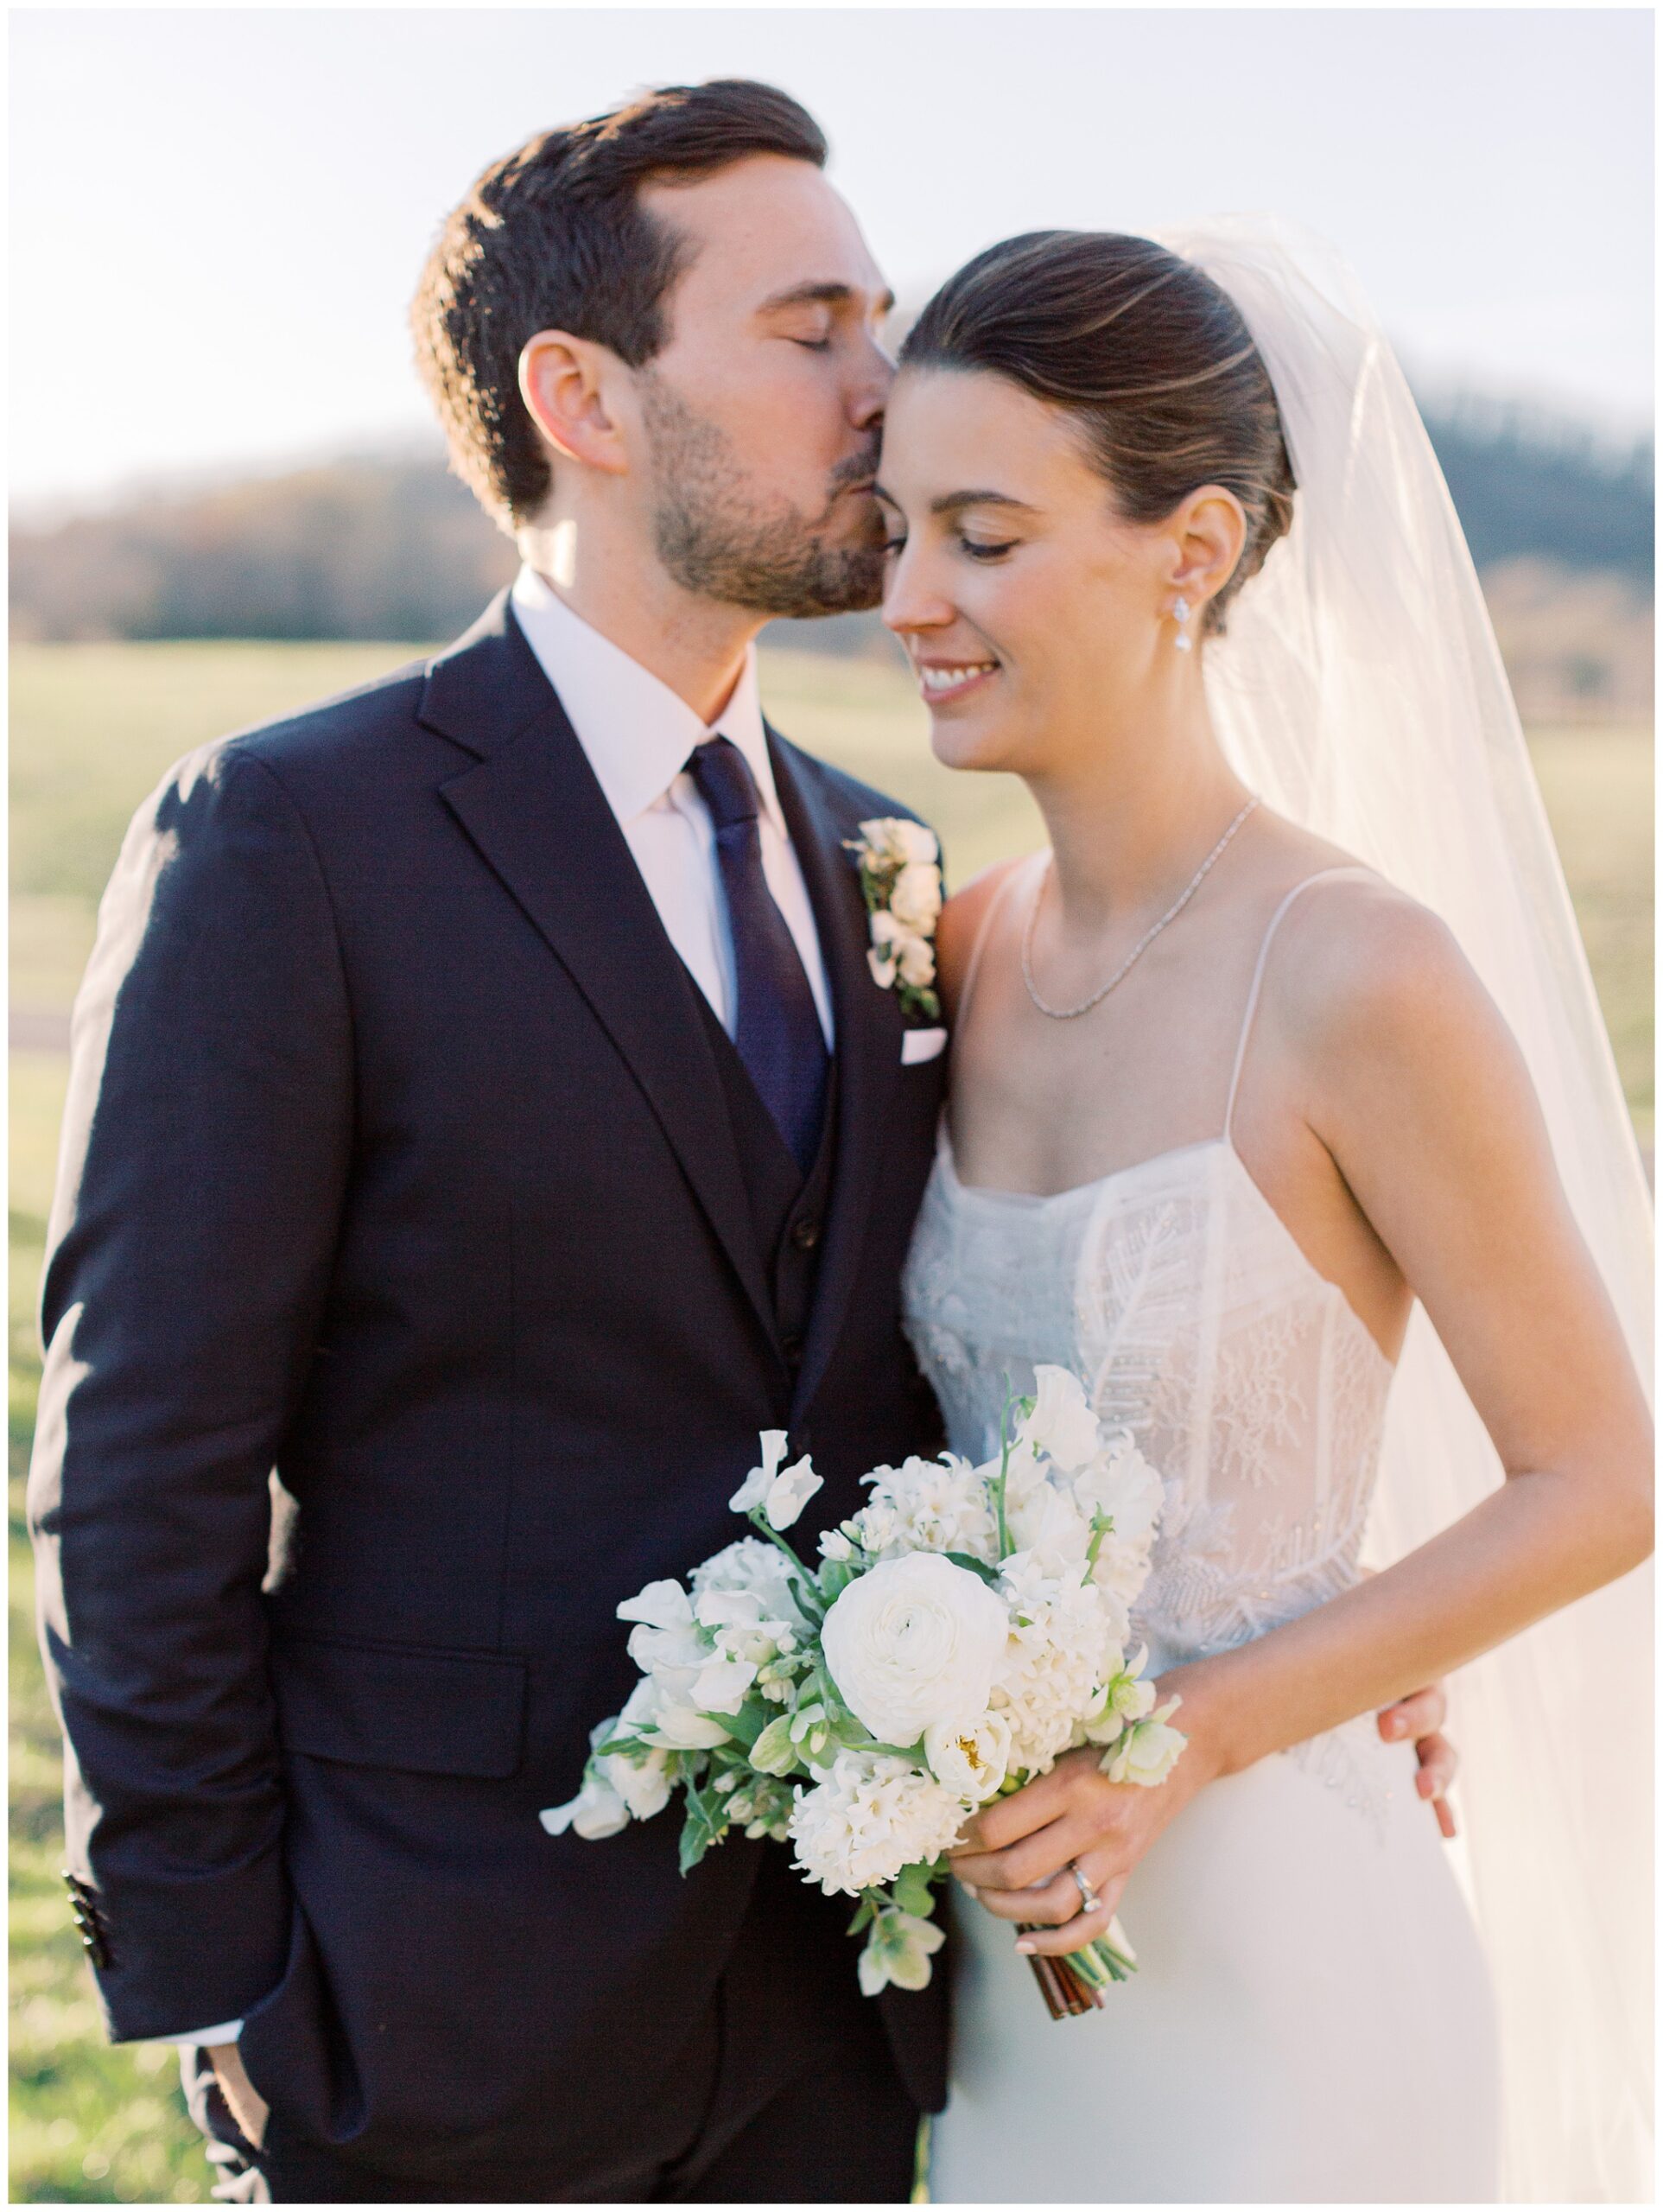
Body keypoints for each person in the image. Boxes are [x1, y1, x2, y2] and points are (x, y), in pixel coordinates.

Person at [28, 84, 1459, 2203]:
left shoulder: (889, 862)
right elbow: (136, 1466)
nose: (888, 393)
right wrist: (212, 1985)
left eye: (882, 316)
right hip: (424, 2012)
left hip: (850, 2020)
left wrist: (1319, 1645)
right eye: (813, 329)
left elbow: (971, 1365)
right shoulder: (290, 841)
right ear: (582, 396)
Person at [882, 226, 1653, 2202]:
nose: (912, 598)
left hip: (1285, 1944)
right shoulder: (953, 947)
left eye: (982, 532)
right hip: (1001, 1962)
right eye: (897, 528)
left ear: (1193, 548)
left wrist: (1197, 1733)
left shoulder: (1356, 970)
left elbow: (1595, 1476)